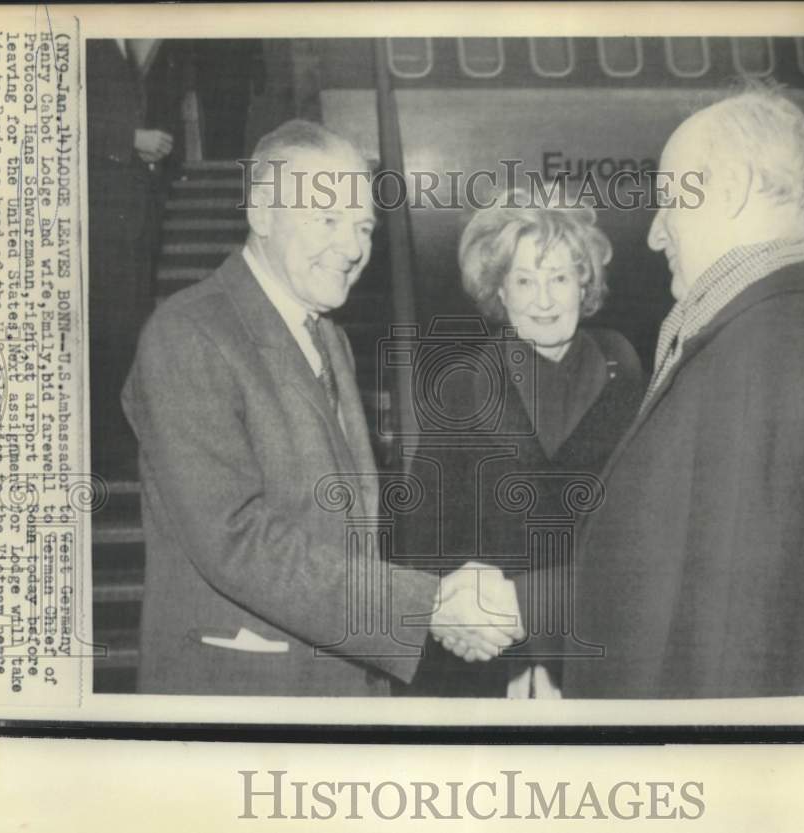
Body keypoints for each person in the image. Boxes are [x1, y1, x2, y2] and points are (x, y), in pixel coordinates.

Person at [122, 120, 523, 696]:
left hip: (341, 681)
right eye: (328, 219)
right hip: (245, 693)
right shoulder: (188, 334)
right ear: (262, 213)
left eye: (363, 226)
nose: (354, 247)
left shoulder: (327, 335)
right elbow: (234, 539)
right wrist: (425, 605)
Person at [563, 86, 804, 699]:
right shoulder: (787, 340)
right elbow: (672, 567)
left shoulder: (764, 365)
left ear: (732, 188)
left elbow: (740, 655)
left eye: (670, 200)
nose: (657, 234)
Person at [399, 194, 645, 698]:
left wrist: (556, 649)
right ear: (501, 293)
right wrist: (518, 654)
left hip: (602, 636)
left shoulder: (623, 365)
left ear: (584, 282)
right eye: (525, 281)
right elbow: (425, 541)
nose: (545, 300)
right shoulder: (462, 386)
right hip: (492, 654)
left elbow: (637, 527)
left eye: (558, 277)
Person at [87, 39, 174, 479]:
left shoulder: (119, 46)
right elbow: (44, 117)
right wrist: (129, 139)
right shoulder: (85, 39)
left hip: (131, 218)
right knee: (110, 331)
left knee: (128, 328)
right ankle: (107, 446)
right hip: (102, 221)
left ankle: (122, 440)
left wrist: (142, 154)